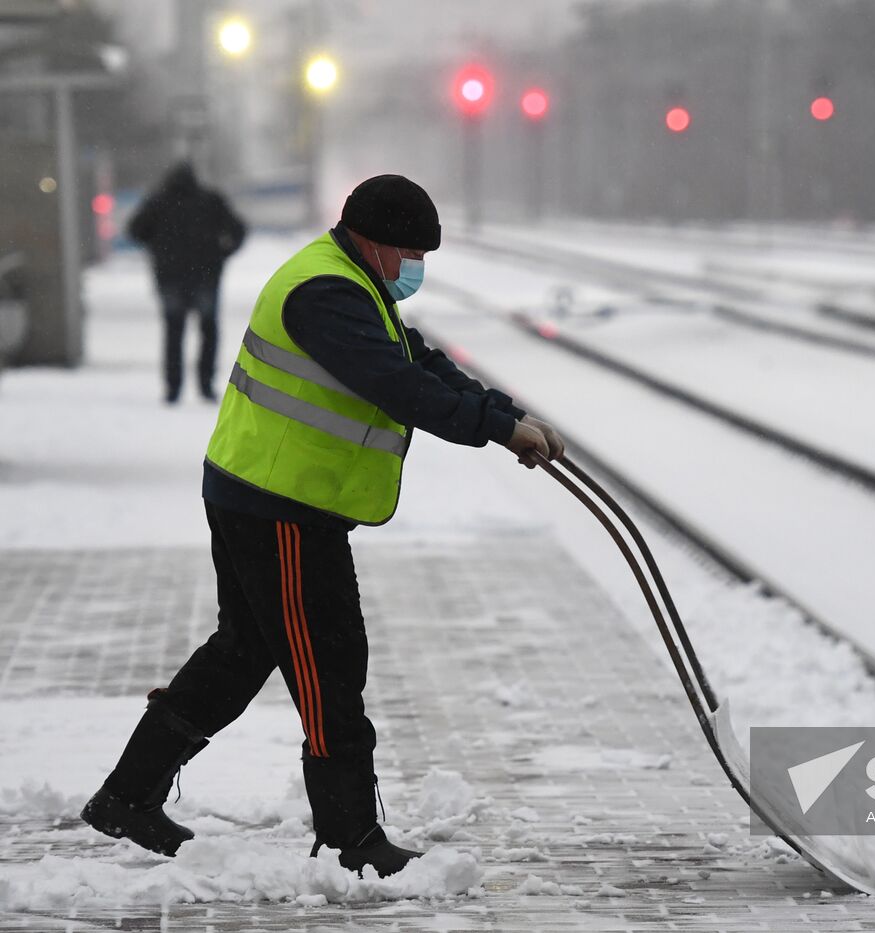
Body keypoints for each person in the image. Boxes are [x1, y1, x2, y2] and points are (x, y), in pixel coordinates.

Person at [82, 174, 564, 876]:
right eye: (408, 251)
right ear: (373, 240)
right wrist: (496, 429)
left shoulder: (348, 278)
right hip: (278, 503)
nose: (414, 267)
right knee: (329, 660)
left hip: (263, 491)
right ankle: (353, 838)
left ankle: (126, 797)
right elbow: (396, 386)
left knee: (243, 653)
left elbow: (417, 360)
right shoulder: (327, 292)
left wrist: (506, 413)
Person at [127, 162, 247, 403]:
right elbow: (239, 230)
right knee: (208, 330)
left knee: (173, 331)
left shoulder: (158, 202)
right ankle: (205, 384)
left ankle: (173, 387)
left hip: (170, 277)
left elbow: (135, 230)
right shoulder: (210, 201)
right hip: (206, 275)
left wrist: (157, 249)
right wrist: (223, 254)